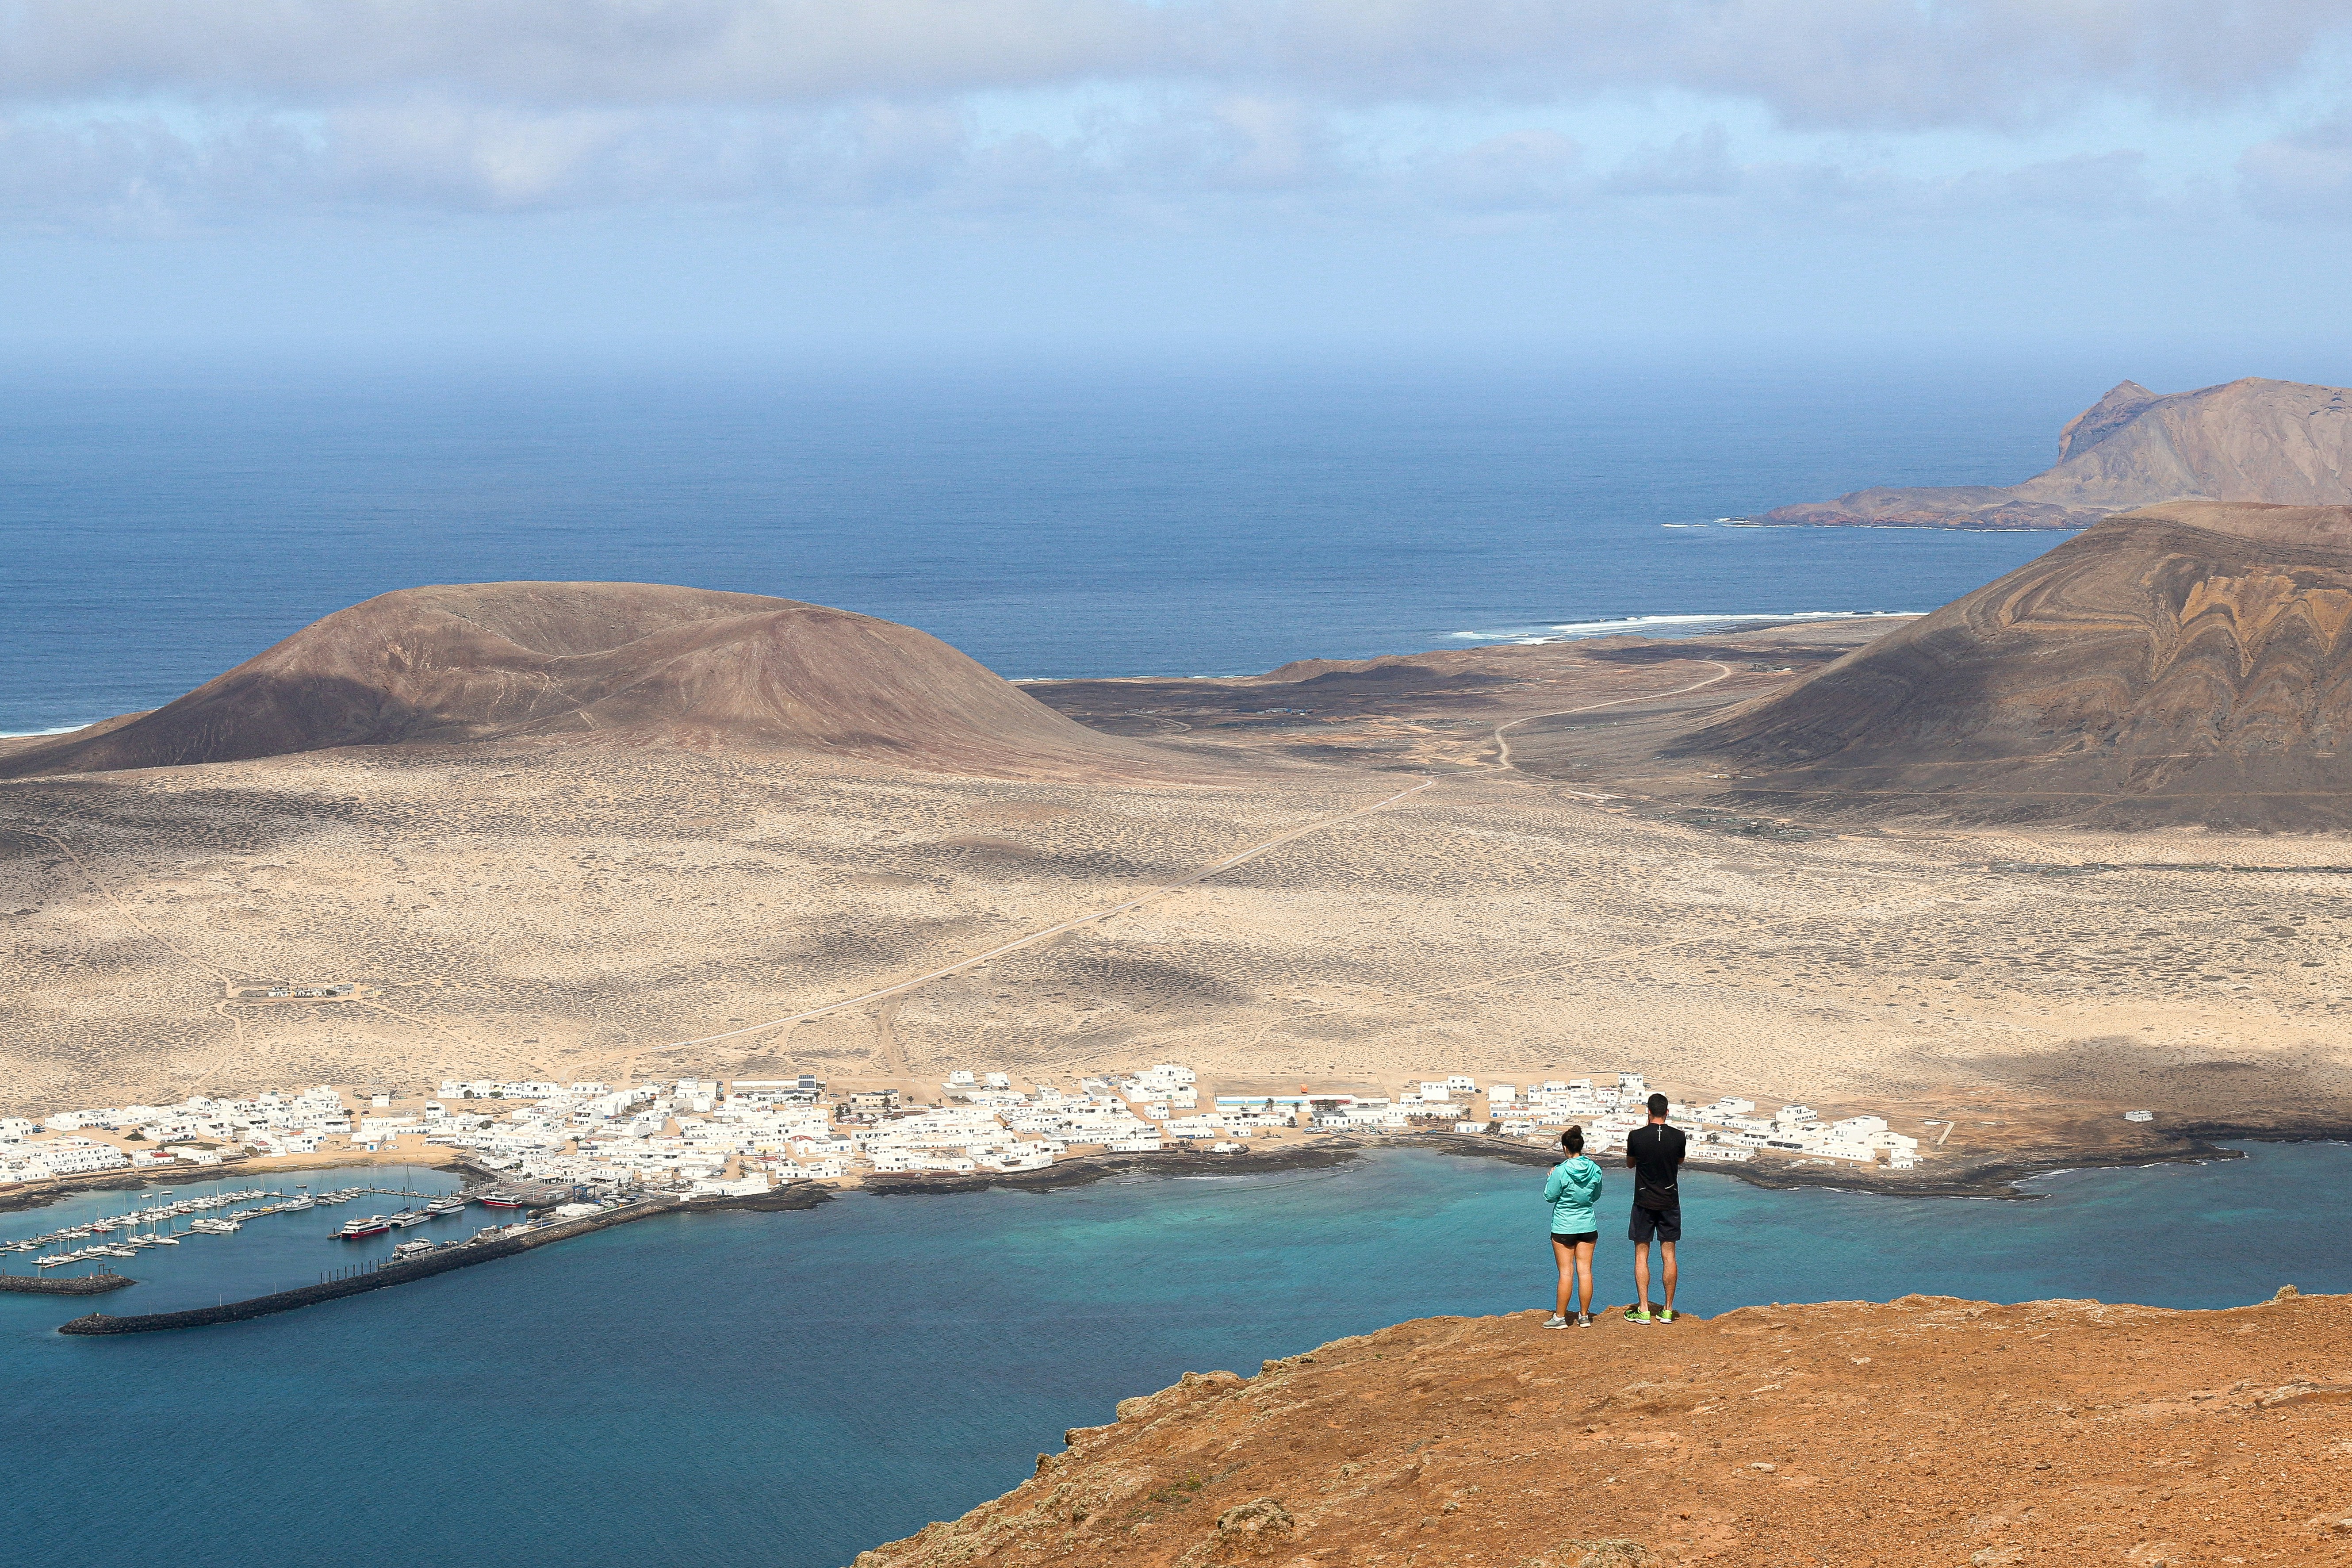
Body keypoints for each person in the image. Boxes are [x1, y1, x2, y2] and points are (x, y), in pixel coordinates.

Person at [1622, 1091, 1686, 1324]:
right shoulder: (1679, 1137)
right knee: (1669, 1255)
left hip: (1644, 1201)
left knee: (1642, 1254)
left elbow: (1630, 1164)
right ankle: (1668, 1310)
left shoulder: (1636, 1136)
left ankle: (1644, 1309)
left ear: (1648, 1111)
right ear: (1667, 1112)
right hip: (1670, 1201)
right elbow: (1679, 1161)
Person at [1542, 1125, 1603, 1328]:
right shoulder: (1595, 1169)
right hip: (1587, 1225)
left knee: (1566, 1273)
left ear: (1565, 1149)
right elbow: (1595, 1196)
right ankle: (1584, 1317)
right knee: (1585, 1271)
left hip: (1563, 1227)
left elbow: (1549, 1197)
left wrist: (1552, 1177)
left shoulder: (1560, 1171)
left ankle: (1560, 1318)